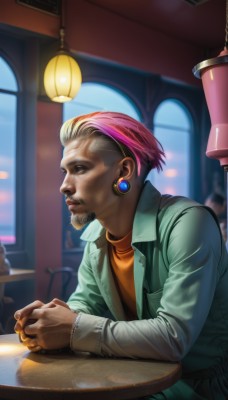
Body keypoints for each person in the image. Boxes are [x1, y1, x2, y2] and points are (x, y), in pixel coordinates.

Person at [14, 112, 228, 400]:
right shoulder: (95, 238)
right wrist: (47, 321)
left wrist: (73, 328)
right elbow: (83, 307)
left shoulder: (189, 223)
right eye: (64, 171)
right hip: (132, 374)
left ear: (124, 171)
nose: (64, 185)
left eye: (79, 168)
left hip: (198, 386)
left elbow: (174, 338)